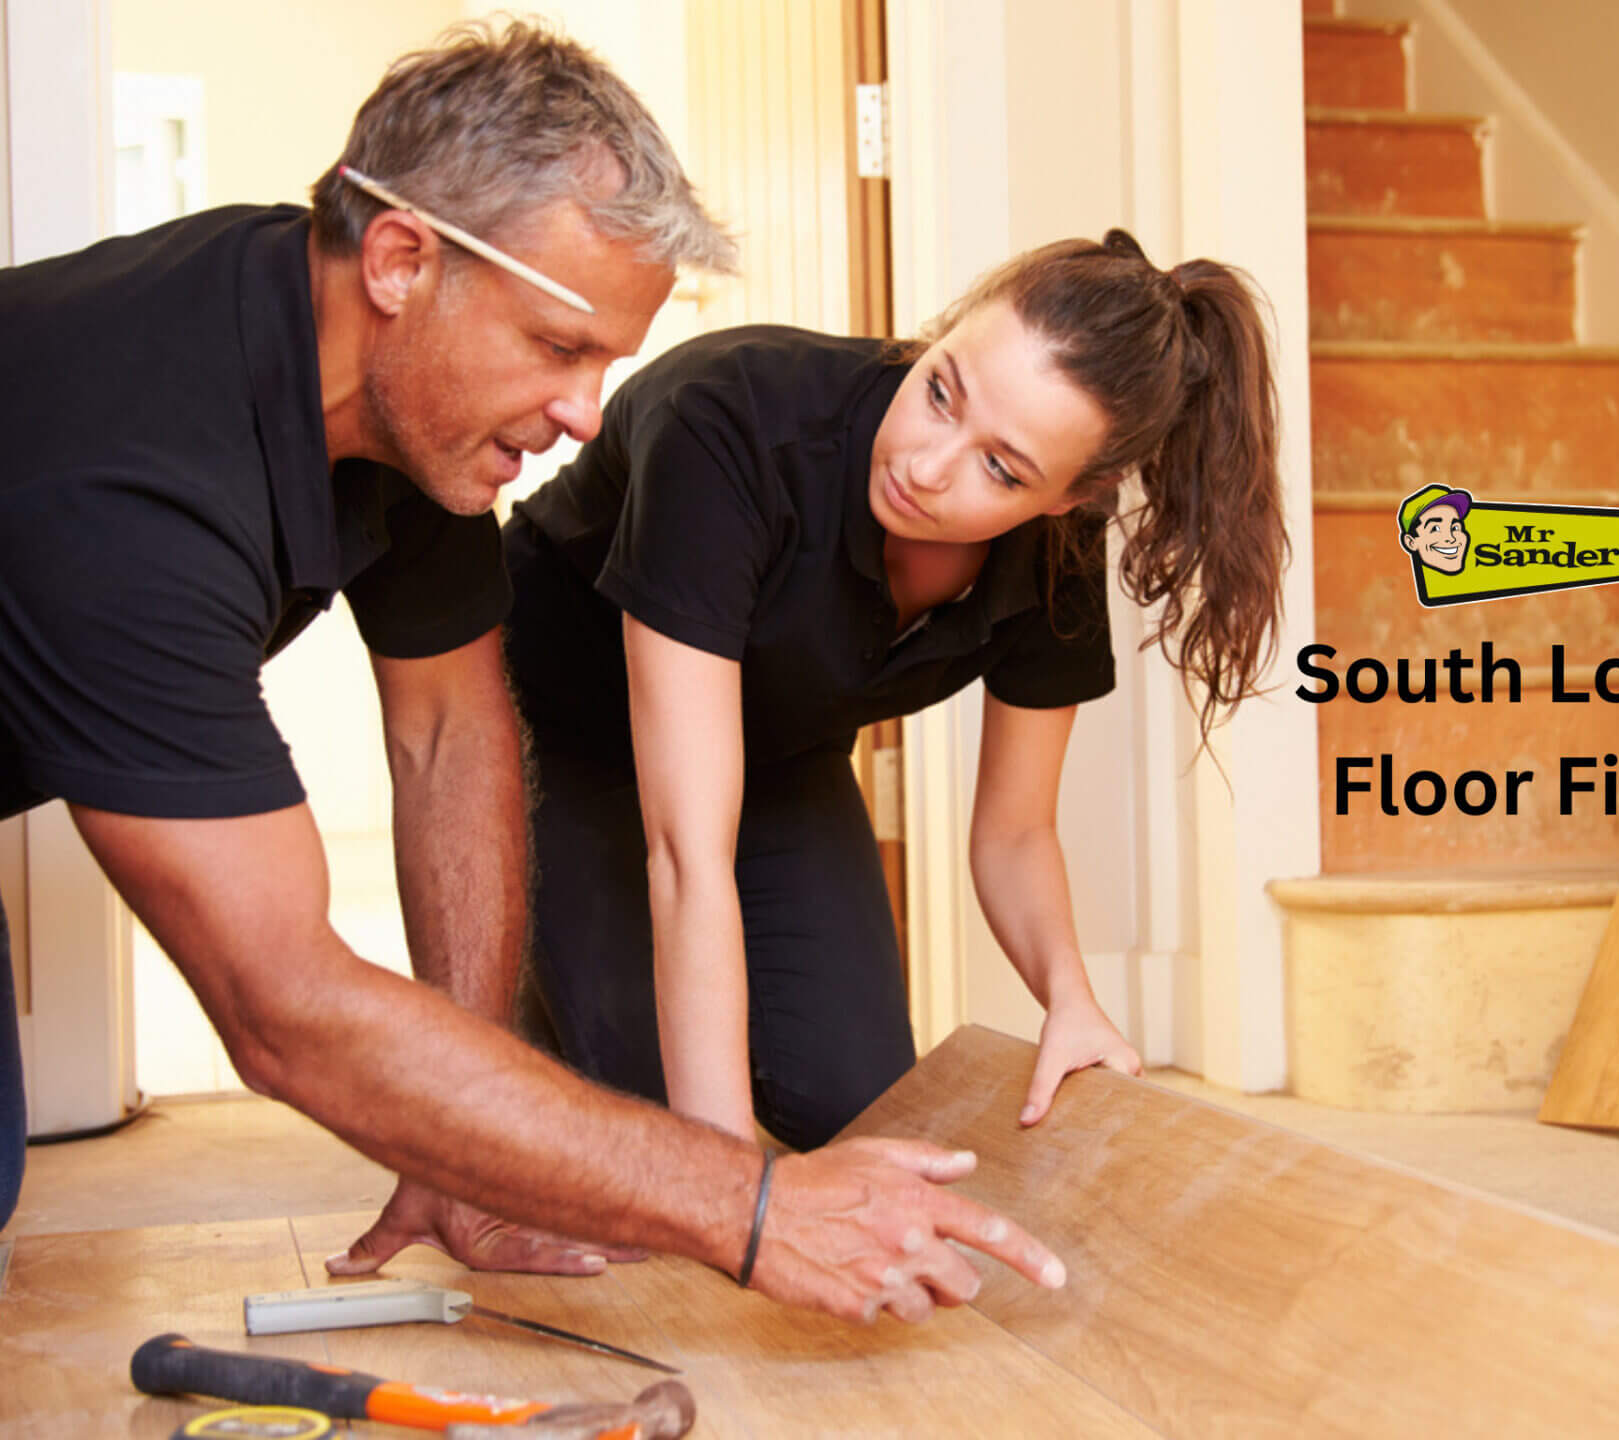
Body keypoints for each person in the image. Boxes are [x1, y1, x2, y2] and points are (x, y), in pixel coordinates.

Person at [0, 19, 1069, 1326]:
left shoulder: (396, 402)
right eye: (561, 348)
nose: (588, 414)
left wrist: (455, 1145)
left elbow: (453, 734)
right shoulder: (131, 479)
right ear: (401, 258)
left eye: (608, 362)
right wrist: (744, 1204)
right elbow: (281, 1001)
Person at [504, 229, 1289, 1150]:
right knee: (647, 1127)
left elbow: (1017, 829)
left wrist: (1070, 1000)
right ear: (940, 334)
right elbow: (687, 852)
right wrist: (728, 1185)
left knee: (858, 1105)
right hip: (560, 720)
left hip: (775, 746)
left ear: (1076, 495)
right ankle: (541, 988)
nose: (925, 465)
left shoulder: (1056, 554)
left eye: (1001, 468)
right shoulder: (727, 421)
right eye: (940, 390)